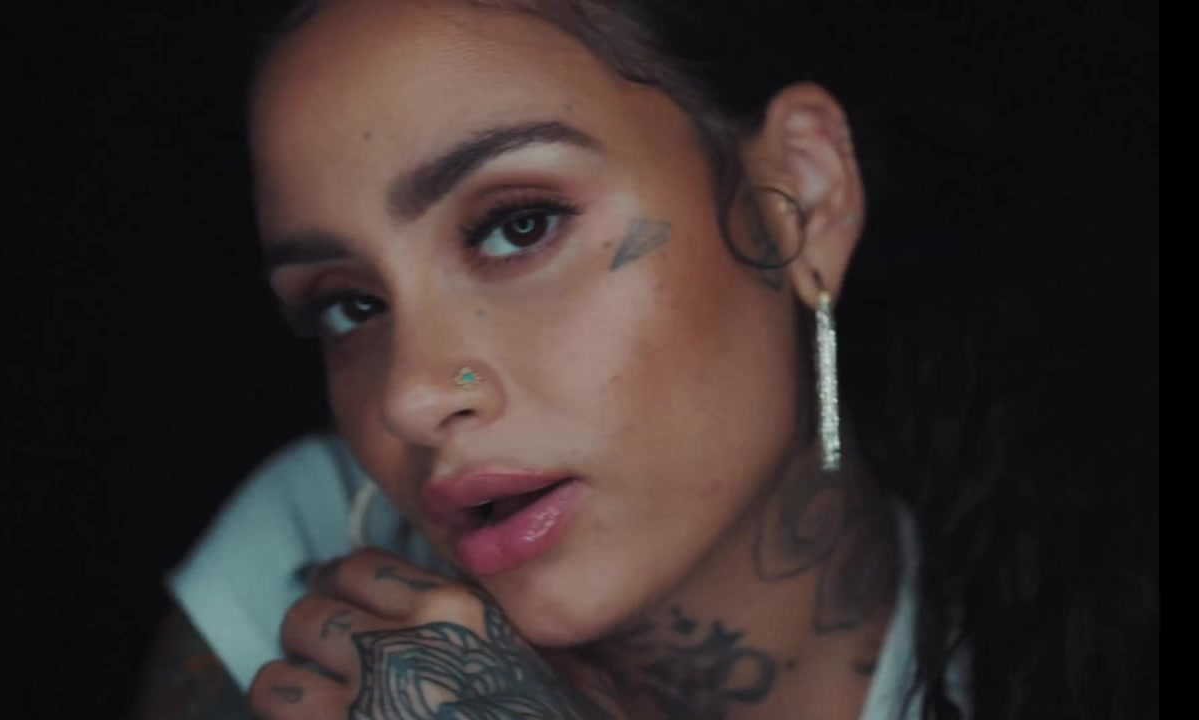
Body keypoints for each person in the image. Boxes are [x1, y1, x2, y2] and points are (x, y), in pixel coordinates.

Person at [133, 1, 1157, 719]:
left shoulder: (1096, 625)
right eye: (349, 305)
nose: (408, 396)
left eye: (518, 225)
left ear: (799, 203)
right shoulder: (295, 574)